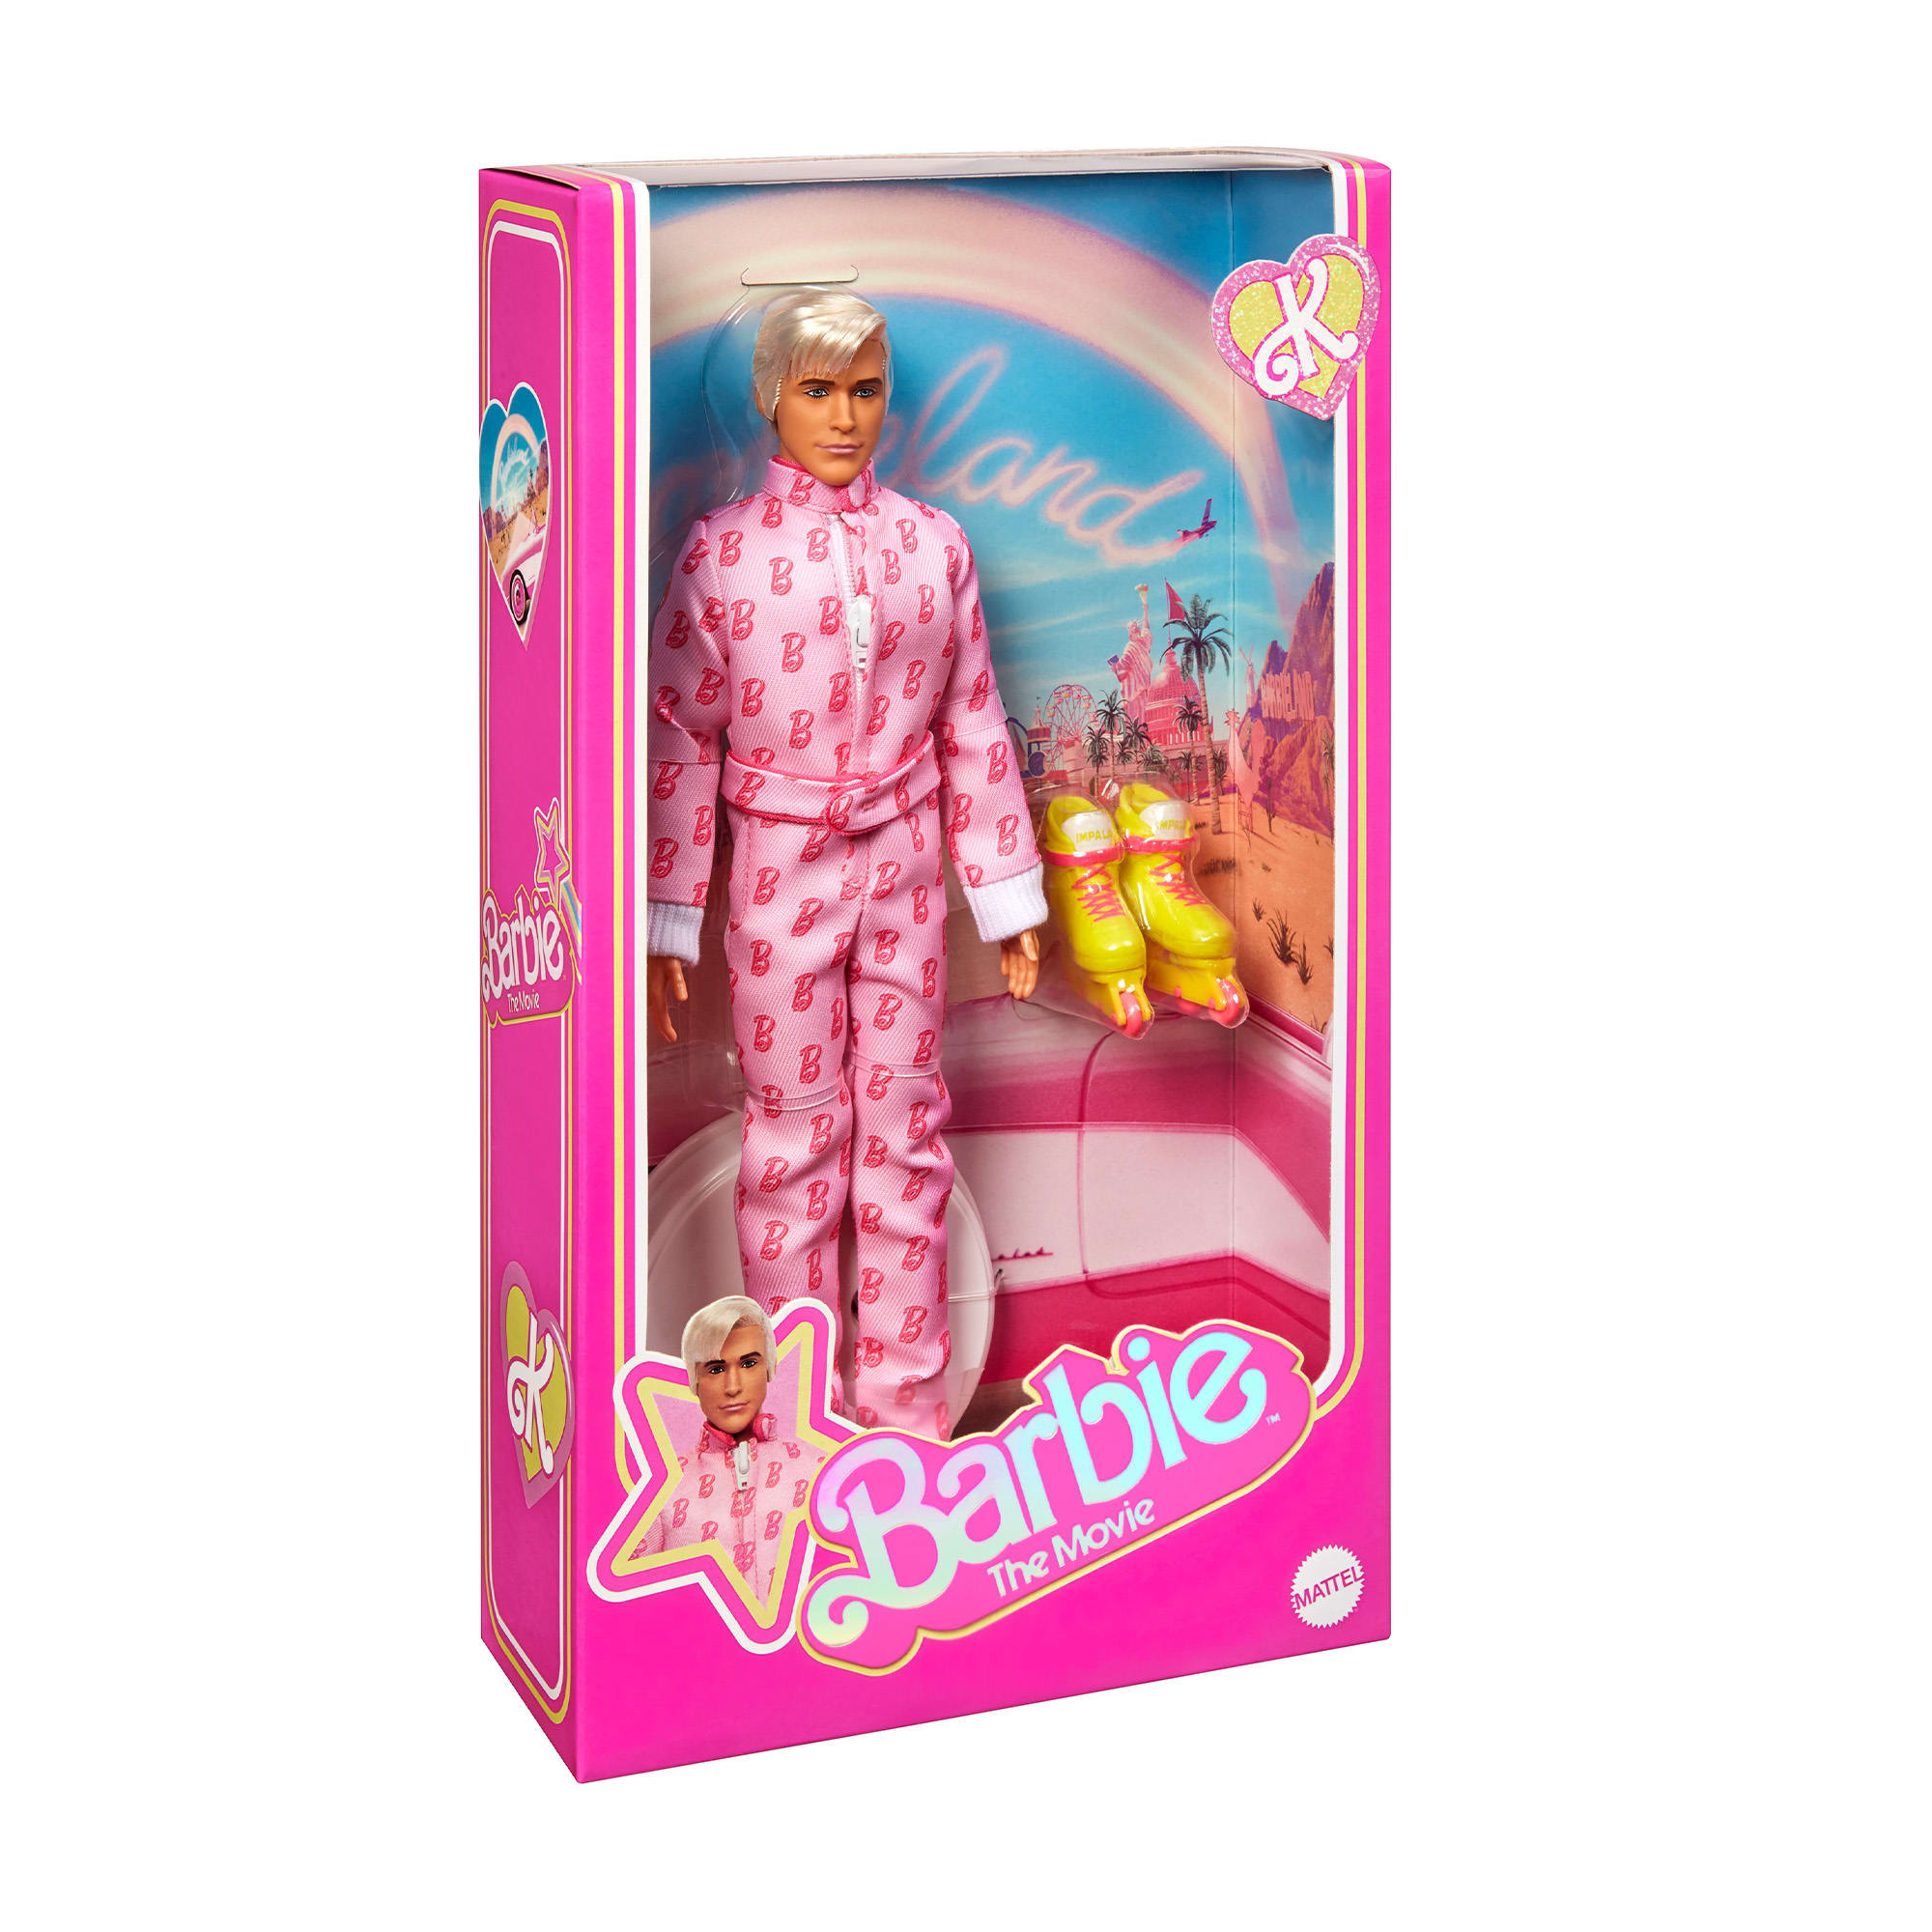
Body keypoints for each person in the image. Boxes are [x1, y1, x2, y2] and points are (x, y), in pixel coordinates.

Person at [643, 291, 1042, 1440]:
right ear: (769, 396)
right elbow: (678, 732)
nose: (844, 415)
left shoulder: (933, 543)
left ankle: (906, 1420)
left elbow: (971, 716)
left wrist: (1005, 891)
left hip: (905, 858)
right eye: (817, 389)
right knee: (791, 1137)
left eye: (864, 389)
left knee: (904, 1133)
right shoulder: (723, 552)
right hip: (780, 866)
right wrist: (666, 909)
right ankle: (792, 1429)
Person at [639, 1296, 825, 1598]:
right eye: (715, 1369)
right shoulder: (663, 1487)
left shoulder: (817, 1469)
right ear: (694, 1380)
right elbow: (632, 1601)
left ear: (769, 1369)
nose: (733, 1386)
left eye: (749, 1364)